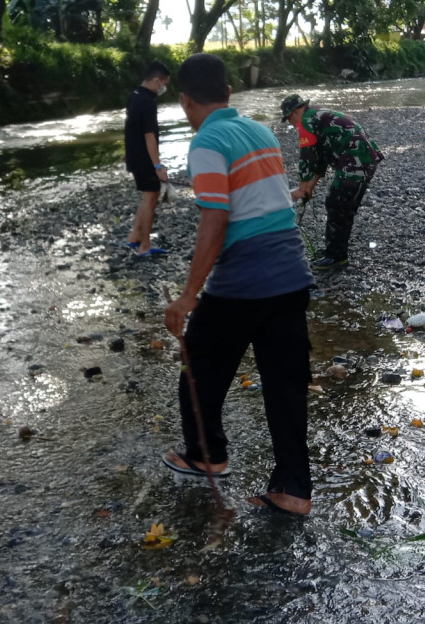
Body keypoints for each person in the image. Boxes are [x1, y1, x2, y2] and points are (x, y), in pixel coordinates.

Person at [163, 53, 316, 517]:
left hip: (244, 281)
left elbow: (216, 216)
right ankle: (293, 490)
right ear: (229, 93)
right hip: (291, 273)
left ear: (185, 101)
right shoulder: (261, 131)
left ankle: (207, 455)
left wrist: (189, 296)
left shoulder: (206, 143)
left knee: (200, 368)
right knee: (285, 386)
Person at [280, 93, 383, 270]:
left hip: (355, 161)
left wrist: (301, 189)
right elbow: (321, 160)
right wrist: (308, 188)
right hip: (364, 159)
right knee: (344, 207)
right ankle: (336, 251)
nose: (291, 124)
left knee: (337, 205)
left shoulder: (306, 120)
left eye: (289, 119)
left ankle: (335, 256)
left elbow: (307, 158)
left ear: (296, 111)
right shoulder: (317, 114)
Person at [123, 60, 171, 257]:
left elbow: (130, 127)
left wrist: (128, 152)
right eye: (165, 83)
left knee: (146, 197)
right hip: (144, 158)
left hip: (135, 155)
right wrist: (158, 165)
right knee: (150, 198)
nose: (164, 87)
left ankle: (134, 236)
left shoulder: (134, 95)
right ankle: (145, 245)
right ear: (158, 80)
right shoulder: (148, 102)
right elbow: (149, 136)